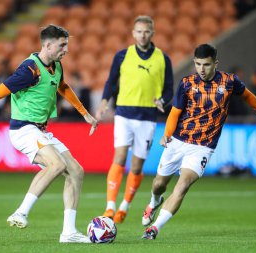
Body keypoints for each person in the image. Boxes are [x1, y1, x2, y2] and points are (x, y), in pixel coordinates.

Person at [0, 25, 97, 243]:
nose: (66, 50)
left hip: (41, 130)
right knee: (57, 165)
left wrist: (85, 114)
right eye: (62, 45)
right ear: (48, 45)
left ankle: (69, 232)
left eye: (67, 45)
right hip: (23, 129)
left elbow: (63, 87)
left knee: (76, 171)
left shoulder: (56, 65)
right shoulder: (29, 70)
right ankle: (20, 212)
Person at [141, 44, 256, 240]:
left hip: (203, 147)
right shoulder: (187, 83)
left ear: (215, 63)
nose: (201, 69)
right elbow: (175, 112)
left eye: (206, 64)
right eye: (197, 64)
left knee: (183, 185)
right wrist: (167, 134)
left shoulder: (229, 81)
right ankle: (154, 201)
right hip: (178, 141)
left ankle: (155, 228)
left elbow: (247, 95)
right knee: (158, 184)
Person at [96, 15, 174, 224]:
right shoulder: (122, 56)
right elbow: (111, 81)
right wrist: (104, 101)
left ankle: (124, 206)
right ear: (133, 33)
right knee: (119, 158)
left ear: (152, 33)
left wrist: (163, 101)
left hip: (148, 116)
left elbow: (169, 89)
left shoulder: (163, 59)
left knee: (137, 167)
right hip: (124, 114)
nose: (142, 35)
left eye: (146, 31)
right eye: (139, 31)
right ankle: (110, 207)